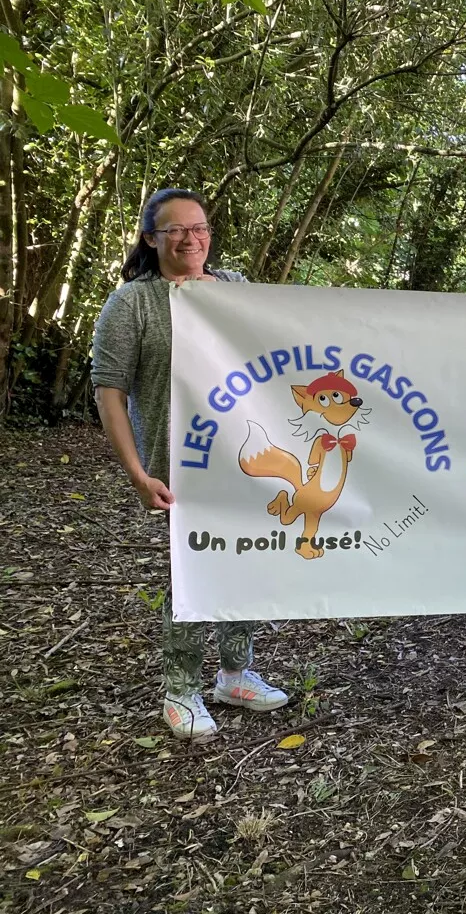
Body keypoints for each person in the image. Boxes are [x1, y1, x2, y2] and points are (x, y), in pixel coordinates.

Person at [92, 188, 289, 739]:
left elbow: (280, 346)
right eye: (175, 229)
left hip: (246, 458)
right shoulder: (132, 302)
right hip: (180, 465)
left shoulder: (235, 291)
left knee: (245, 562)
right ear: (151, 238)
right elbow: (109, 388)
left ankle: (235, 672)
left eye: (199, 227)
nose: (190, 238)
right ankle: (180, 690)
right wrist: (136, 472)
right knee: (194, 572)